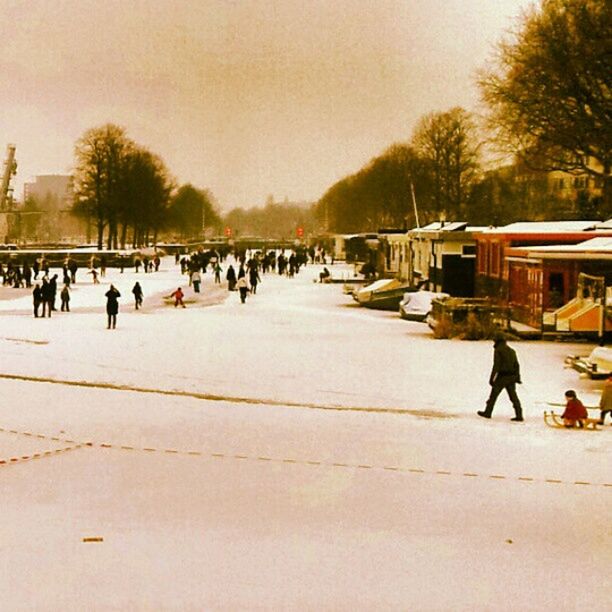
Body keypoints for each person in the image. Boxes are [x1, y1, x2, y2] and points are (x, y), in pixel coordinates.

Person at [478, 334, 523, 421]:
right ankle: (519, 414)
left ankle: (488, 412)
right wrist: (518, 377)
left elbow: (496, 366)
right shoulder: (511, 350)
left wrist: (491, 378)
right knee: (513, 397)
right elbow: (517, 365)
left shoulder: (498, 350)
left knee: (493, 396)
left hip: (502, 377)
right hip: (511, 377)